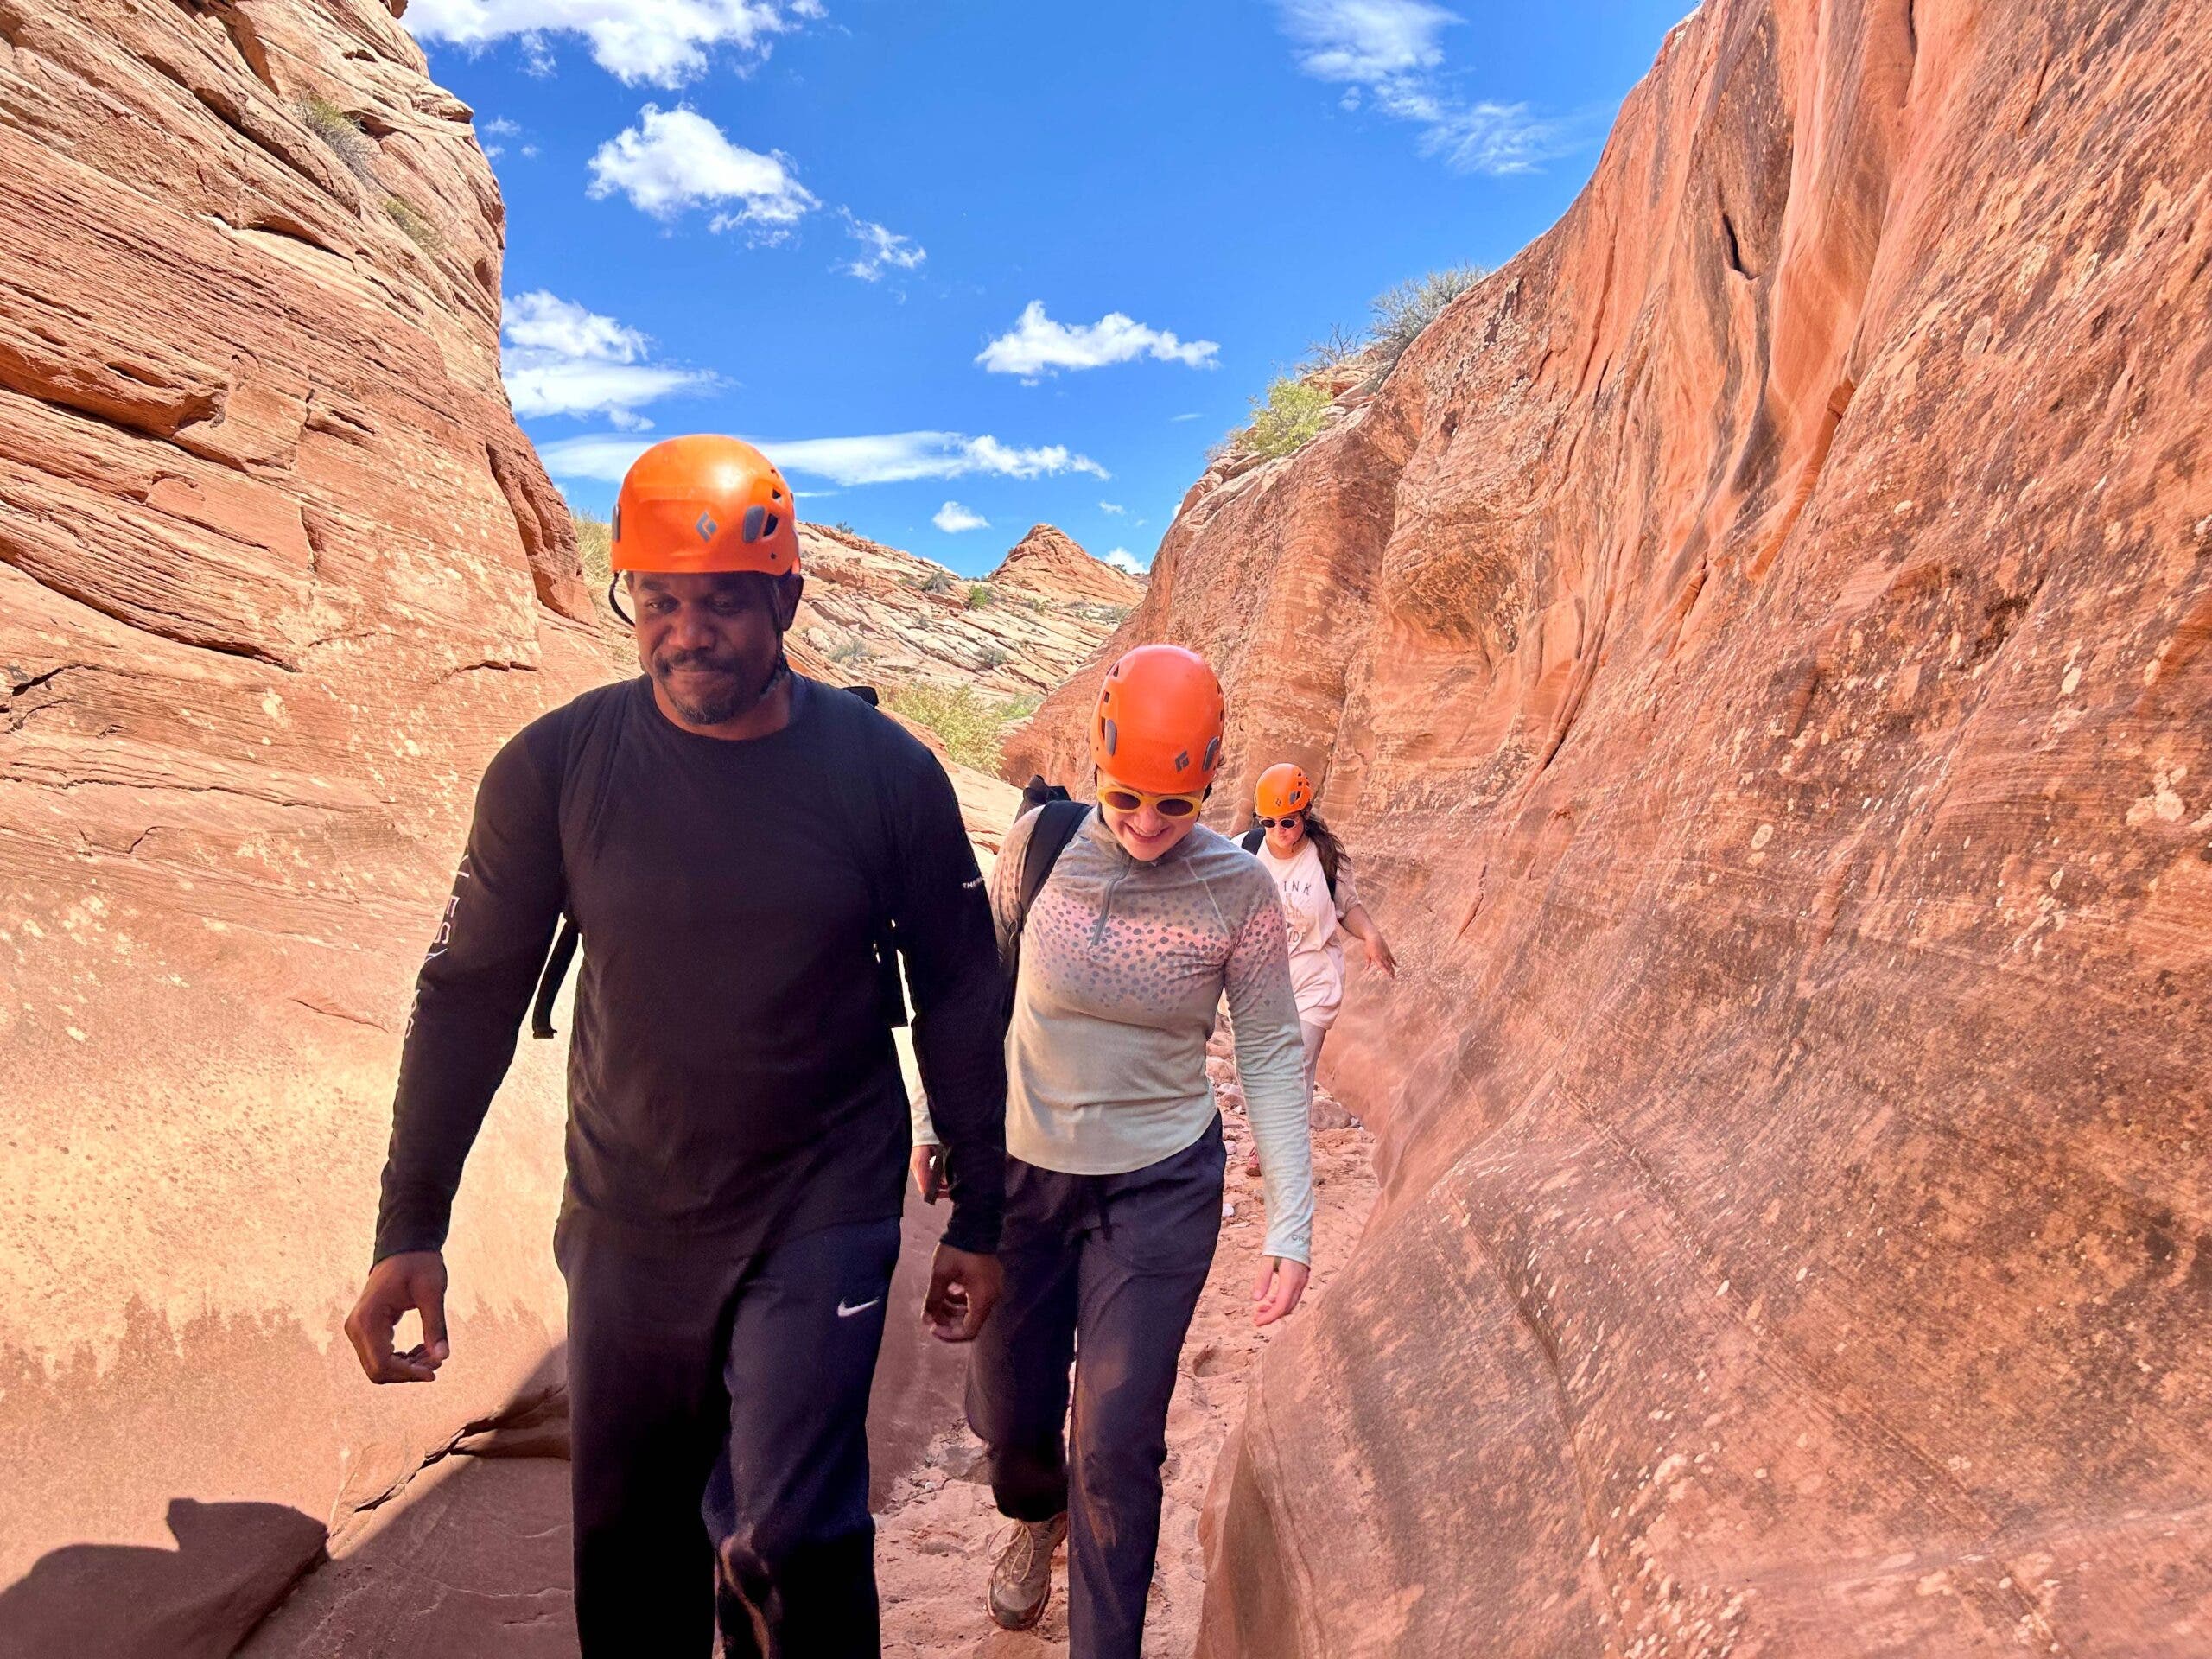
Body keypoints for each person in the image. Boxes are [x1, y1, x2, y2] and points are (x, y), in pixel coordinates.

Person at [342, 435, 1008, 1658]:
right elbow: (468, 996)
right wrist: (409, 1229)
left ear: (787, 602)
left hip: (824, 1204)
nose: (687, 632)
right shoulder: (555, 769)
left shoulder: (888, 778)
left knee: (795, 1539)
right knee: (632, 1547)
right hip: (629, 1214)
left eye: (722, 604)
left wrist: (981, 1211)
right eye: (660, 601)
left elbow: (963, 988)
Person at [912, 645, 1314, 1657]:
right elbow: (978, 992)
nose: (1146, 823)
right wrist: (938, 1120)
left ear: (1211, 780)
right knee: (1014, 1424)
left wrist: (1292, 1220)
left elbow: (1267, 1046)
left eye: (1174, 805)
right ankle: (1028, 1517)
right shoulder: (1042, 846)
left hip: (1159, 1185)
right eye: (1128, 796)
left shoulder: (1238, 890)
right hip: (1023, 1173)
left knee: (1117, 1443)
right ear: (1097, 762)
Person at [1240, 763, 1395, 1158]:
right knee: (1256, 1071)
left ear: (1306, 814)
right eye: (1269, 822)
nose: (1279, 831)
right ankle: (1267, 1138)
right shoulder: (1242, 851)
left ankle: (1281, 1152)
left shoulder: (1324, 859)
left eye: (1288, 822)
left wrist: (1372, 936)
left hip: (1314, 981)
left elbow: (1348, 908)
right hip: (1259, 986)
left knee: (1296, 1067)